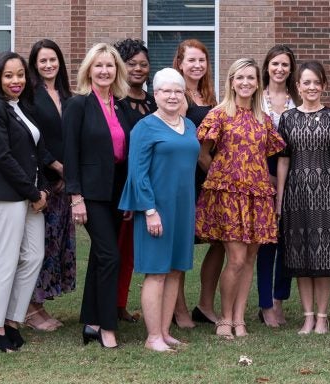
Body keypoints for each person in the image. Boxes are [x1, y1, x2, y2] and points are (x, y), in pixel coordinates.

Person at [195, 58, 285, 339]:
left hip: (258, 196)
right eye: (240, 78)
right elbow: (203, 154)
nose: (245, 83)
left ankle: (239, 318)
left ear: (258, 83)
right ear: (231, 81)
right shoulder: (218, 114)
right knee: (234, 258)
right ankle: (224, 317)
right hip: (228, 196)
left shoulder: (263, 119)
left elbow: (268, 157)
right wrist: (224, 179)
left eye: (251, 78)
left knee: (249, 259)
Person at [119, 68, 199, 352]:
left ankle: (165, 332)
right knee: (156, 272)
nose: (173, 96)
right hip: (156, 209)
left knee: (176, 270)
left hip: (183, 208)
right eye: (166, 91)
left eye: (178, 91)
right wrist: (150, 210)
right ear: (156, 94)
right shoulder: (145, 127)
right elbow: (137, 173)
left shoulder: (188, 126)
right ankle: (152, 336)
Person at [0, 51, 48, 352]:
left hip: (32, 194)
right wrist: (33, 193)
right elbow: (3, 157)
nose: (16, 80)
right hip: (8, 195)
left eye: (20, 74)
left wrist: (41, 190)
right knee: (6, 259)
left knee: (34, 255)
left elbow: (36, 154)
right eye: (8, 75)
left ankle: (12, 319)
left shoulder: (23, 107)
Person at [63, 43, 131, 349]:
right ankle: (106, 327)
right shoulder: (78, 105)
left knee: (101, 257)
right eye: (98, 65)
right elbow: (70, 153)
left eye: (110, 65)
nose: (104, 71)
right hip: (90, 192)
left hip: (117, 191)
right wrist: (75, 196)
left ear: (117, 70)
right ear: (89, 70)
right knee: (109, 255)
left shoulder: (121, 105)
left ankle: (90, 321)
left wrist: (130, 197)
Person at [277, 61, 330, 335]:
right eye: (306, 82)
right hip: (295, 193)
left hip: (327, 192)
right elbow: (283, 161)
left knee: (324, 256)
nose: (311, 87)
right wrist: (279, 199)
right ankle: (307, 316)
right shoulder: (288, 118)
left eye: (316, 82)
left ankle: (322, 316)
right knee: (300, 255)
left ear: (324, 86)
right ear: (298, 86)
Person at [24, 38, 75, 331]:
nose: (48, 65)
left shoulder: (69, 95)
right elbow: (34, 140)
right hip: (44, 181)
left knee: (55, 246)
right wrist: (57, 169)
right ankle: (30, 309)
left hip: (66, 185)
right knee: (38, 246)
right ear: (35, 64)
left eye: (52, 59)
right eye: (42, 61)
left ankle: (39, 305)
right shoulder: (30, 96)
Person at [172, 39, 221, 328]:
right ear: (179, 63)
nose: (197, 65)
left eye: (202, 60)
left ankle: (204, 304)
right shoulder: (177, 96)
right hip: (185, 177)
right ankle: (178, 311)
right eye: (191, 60)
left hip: (210, 177)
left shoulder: (210, 97)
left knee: (219, 241)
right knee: (182, 244)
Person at [113, 38, 157, 324]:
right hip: (121, 185)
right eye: (131, 64)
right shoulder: (114, 102)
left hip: (150, 184)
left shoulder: (154, 100)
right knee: (115, 248)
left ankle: (120, 303)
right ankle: (109, 305)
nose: (138, 69)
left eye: (143, 64)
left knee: (131, 251)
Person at [258, 44, 297, 328]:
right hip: (262, 172)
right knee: (266, 242)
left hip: (295, 172)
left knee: (287, 242)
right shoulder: (257, 99)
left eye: (285, 64)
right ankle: (265, 304)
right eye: (275, 64)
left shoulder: (298, 97)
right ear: (267, 67)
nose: (280, 69)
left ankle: (280, 298)